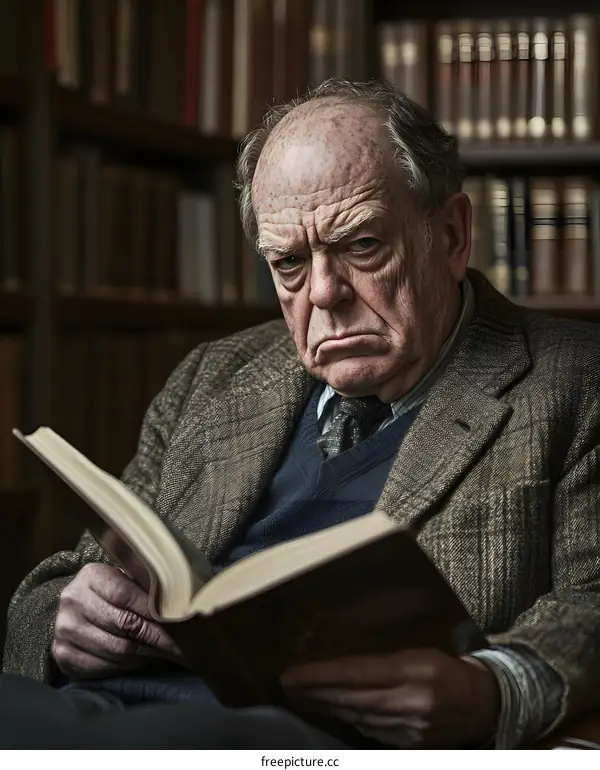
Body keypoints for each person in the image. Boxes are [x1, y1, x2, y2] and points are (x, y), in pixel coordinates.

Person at [3, 77, 600, 750]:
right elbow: (71, 577)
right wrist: (62, 619)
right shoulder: (213, 376)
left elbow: (593, 605)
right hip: (96, 714)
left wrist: (492, 688)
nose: (322, 293)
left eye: (362, 245)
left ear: (452, 235)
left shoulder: (575, 382)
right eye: (288, 262)